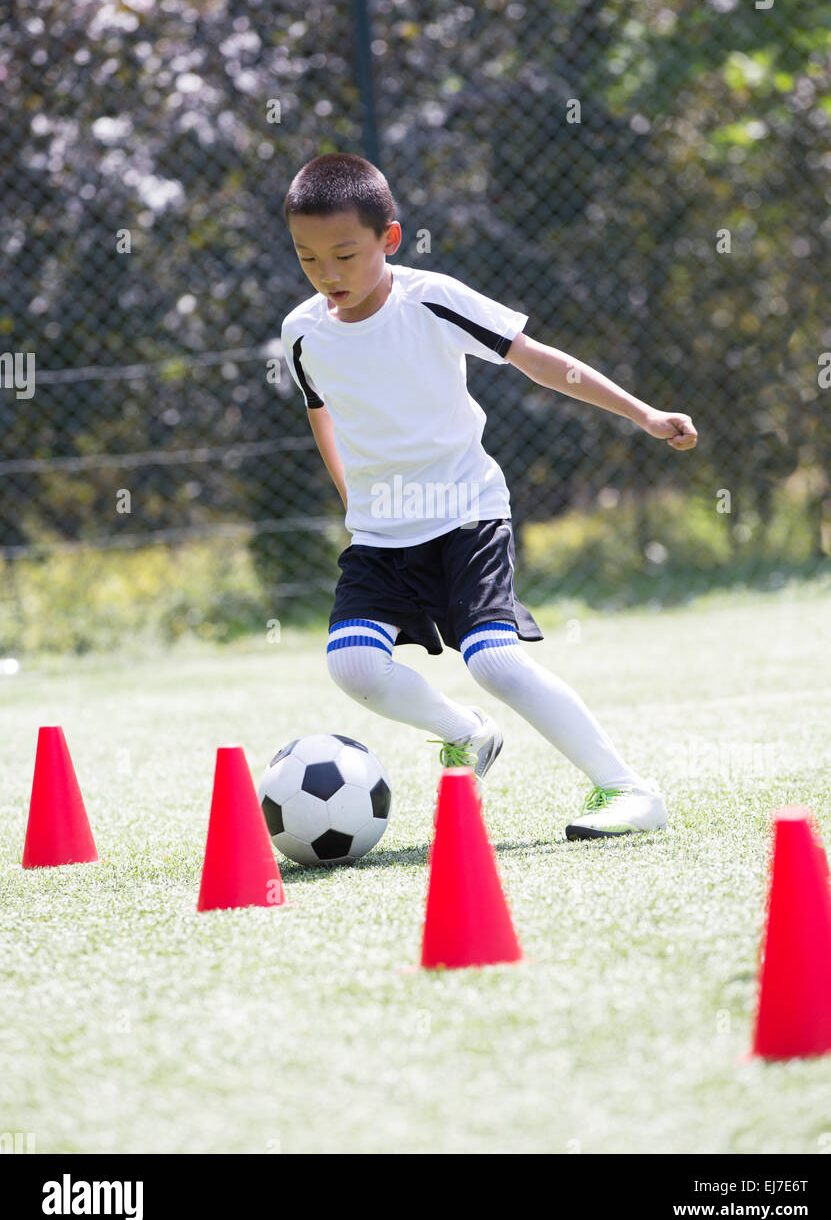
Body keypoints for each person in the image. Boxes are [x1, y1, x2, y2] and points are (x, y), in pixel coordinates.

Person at [278, 153, 697, 839]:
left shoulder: (433, 299)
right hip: (381, 534)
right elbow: (320, 408)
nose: (328, 275)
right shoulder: (302, 333)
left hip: (465, 516)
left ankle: (628, 789)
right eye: (308, 258)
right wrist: (349, 492)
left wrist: (643, 414)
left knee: (495, 662)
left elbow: (542, 361)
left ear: (389, 239)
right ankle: (464, 733)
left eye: (344, 255)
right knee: (352, 664)